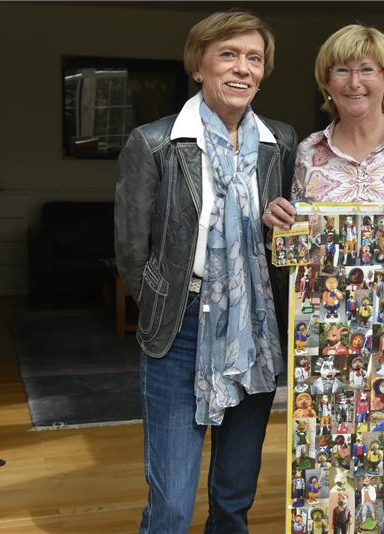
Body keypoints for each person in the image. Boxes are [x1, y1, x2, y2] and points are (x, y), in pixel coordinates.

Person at [115, 11, 297, 533]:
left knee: (234, 497)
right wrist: (165, 307)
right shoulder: (154, 143)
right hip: (181, 327)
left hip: (255, 326)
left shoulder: (279, 142)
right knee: (172, 503)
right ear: (199, 66)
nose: (242, 69)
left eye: (254, 58)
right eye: (228, 55)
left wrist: (275, 227)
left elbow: (291, 236)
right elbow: (131, 252)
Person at [263, 23, 384, 229]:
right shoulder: (308, 150)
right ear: (326, 83)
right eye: (342, 70)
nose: (354, 82)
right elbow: (296, 235)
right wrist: (277, 222)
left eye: (366, 69)